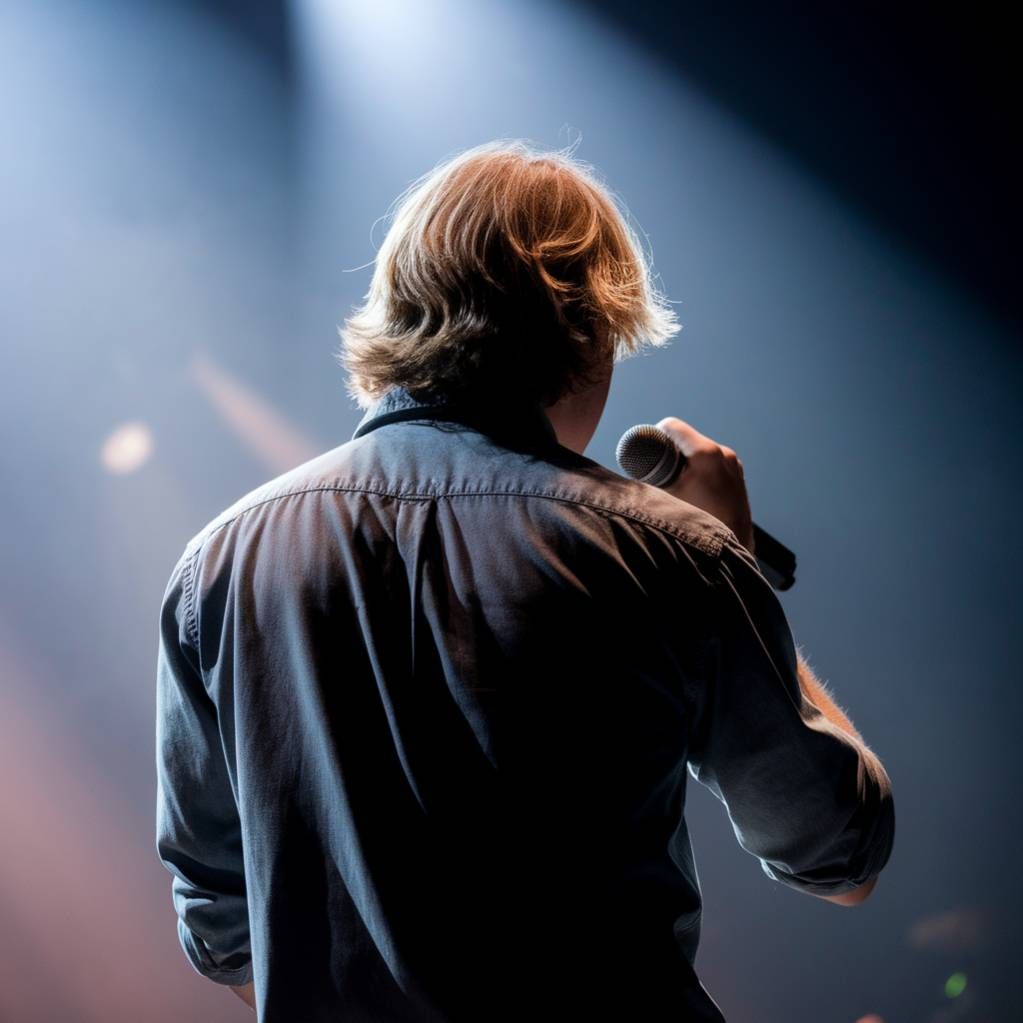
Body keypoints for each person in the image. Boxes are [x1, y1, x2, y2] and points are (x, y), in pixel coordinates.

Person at [154, 139, 894, 1022]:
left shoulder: (220, 563)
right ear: (588, 331)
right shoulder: (666, 553)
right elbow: (839, 856)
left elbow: (220, 926)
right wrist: (728, 557)